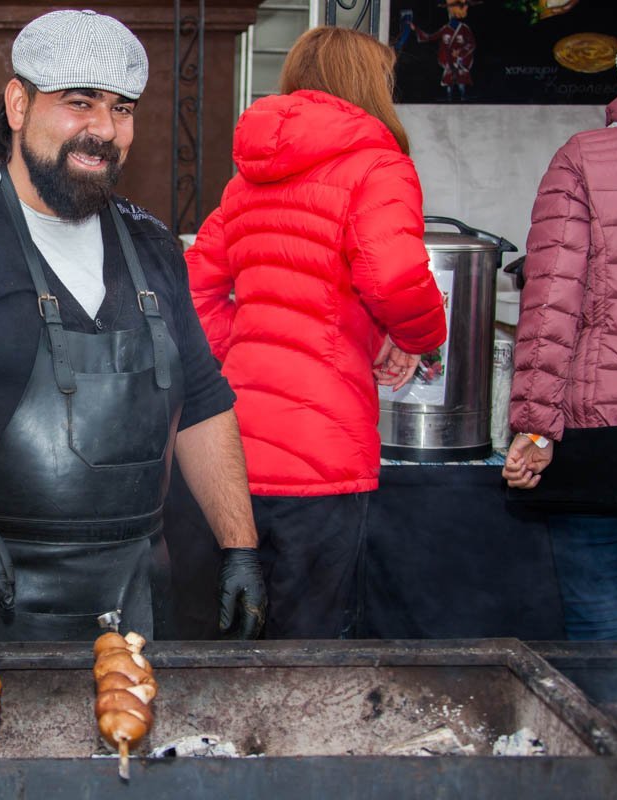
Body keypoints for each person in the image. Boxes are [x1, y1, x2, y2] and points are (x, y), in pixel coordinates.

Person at [0, 10, 266, 643]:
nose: (104, 129)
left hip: (137, 608)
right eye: (79, 103)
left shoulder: (152, 247)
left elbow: (201, 402)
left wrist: (239, 545)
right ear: (18, 104)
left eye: (121, 109)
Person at [185, 27, 447, 639]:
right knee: (310, 646)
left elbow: (191, 295)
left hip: (233, 450)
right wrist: (416, 339)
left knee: (232, 637)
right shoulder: (379, 166)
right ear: (370, 84)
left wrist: (247, 345)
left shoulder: (246, 179)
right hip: (323, 452)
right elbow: (393, 276)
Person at [503, 19, 617, 641]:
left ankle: (605, 708)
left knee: (599, 620)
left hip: (602, 433)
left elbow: (550, 306)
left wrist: (535, 427)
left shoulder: (585, 157)